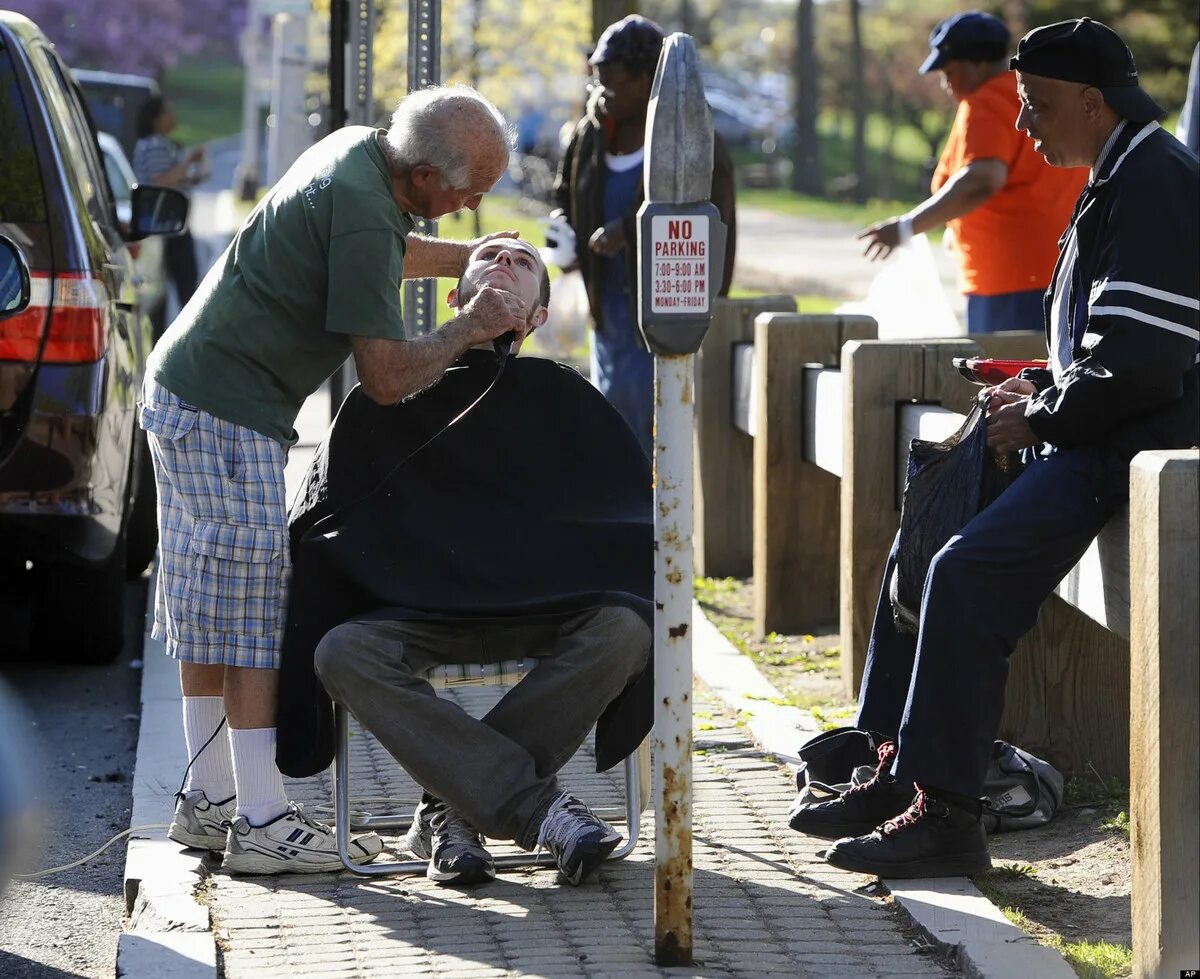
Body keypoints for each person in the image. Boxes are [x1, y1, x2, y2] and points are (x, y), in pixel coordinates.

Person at [791, 17, 1198, 879]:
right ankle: (895, 764)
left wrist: (1044, 413)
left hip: (1132, 452)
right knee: (926, 536)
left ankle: (946, 815)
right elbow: (1106, 348)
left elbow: (1145, 363)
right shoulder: (1118, 170)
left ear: (1093, 103)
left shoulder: (1155, 180)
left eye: (1038, 106)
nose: (1025, 125)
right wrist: (1038, 384)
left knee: (965, 573)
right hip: (1099, 433)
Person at [140, 85, 527, 875]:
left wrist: (479, 262)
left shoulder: (360, 152)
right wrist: (471, 324)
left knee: (207, 603)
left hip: (187, 389)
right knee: (249, 615)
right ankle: (262, 819)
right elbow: (384, 378)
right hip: (226, 410)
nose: (474, 203)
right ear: (423, 176)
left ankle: (210, 799)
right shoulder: (362, 208)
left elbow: (383, 247)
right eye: (469, 191)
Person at [276, 238, 655, 886]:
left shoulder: (569, 401)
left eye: (524, 261)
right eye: (490, 255)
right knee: (340, 650)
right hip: (417, 608)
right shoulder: (390, 392)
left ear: (537, 316)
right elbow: (324, 513)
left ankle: (453, 806)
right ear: (455, 297)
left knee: (627, 629)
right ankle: (532, 807)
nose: (506, 261)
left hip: (543, 606)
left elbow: (624, 518)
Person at [551, 14, 737, 454]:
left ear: (646, 82)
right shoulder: (590, 136)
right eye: (597, 80)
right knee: (609, 430)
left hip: (660, 319)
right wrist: (564, 232)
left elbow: (706, 226)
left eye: (612, 82)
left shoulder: (694, 143)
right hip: (608, 314)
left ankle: (650, 521)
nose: (601, 93)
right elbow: (564, 192)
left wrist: (628, 232)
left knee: (651, 440)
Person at [857, 11, 1087, 335]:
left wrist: (908, 226)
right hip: (1060, 265)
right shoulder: (1036, 92)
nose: (945, 83)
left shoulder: (987, 100)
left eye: (949, 71)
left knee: (1007, 379)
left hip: (1009, 281)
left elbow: (982, 179)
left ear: (977, 64)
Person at [131, 95, 207, 309]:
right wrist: (189, 161)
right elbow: (160, 180)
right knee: (186, 285)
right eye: (168, 112)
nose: (173, 117)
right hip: (168, 223)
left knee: (162, 291)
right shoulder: (155, 145)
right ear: (155, 119)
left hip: (162, 223)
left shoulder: (155, 144)